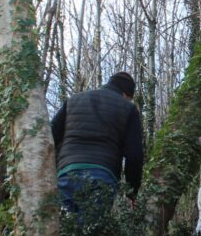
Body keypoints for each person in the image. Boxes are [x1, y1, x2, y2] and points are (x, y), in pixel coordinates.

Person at [51, 71, 144, 213]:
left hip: (67, 173)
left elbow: (50, 136)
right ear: (126, 94)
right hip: (102, 175)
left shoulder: (73, 100)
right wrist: (132, 192)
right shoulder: (128, 108)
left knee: (65, 229)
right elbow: (134, 156)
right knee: (93, 230)